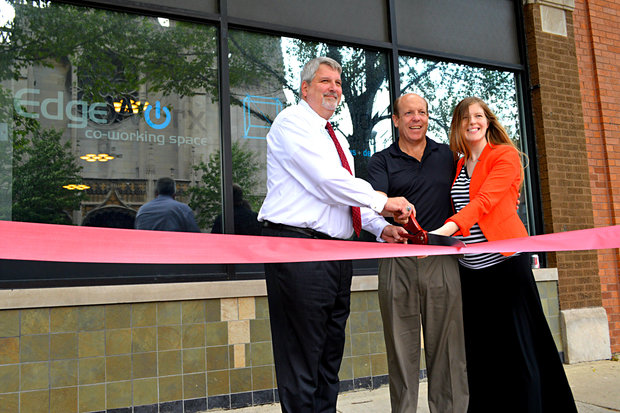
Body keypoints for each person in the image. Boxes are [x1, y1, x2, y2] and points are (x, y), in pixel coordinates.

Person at [257, 56, 413, 413]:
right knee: (303, 356)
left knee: (329, 354)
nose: (334, 89)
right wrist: (384, 202)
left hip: (336, 255)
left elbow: (345, 198)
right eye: (325, 81)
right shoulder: (292, 123)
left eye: (338, 84)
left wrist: (381, 227)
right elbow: (328, 183)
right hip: (299, 250)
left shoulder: (335, 138)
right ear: (305, 88)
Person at [431, 97, 577, 413]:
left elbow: (484, 201)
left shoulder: (504, 156)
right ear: (457, 125)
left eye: (479, 116)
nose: (473, 121)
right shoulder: (457, 164)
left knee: (521, 346)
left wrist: (444, 231)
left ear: (488, 121)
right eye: (466, 117)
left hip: (508, 264)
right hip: (471, 270)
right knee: (483, 352)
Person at [367, 93, 468, 413]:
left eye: (422, 112)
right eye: (408, 113)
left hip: (442, 261)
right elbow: (377, 200)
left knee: (450, 351)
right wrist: (389, 214)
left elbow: (476, 187)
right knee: (401, 351)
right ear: (396, 120)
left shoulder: (449, 155)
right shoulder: (381, 160)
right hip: (398, 260)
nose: (416, 118)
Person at [135, 177, 200, 232]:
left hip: (148, 245)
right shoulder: (183, 209)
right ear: (174, 194)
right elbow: (195, 235)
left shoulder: (142, 209)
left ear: (156, 193)